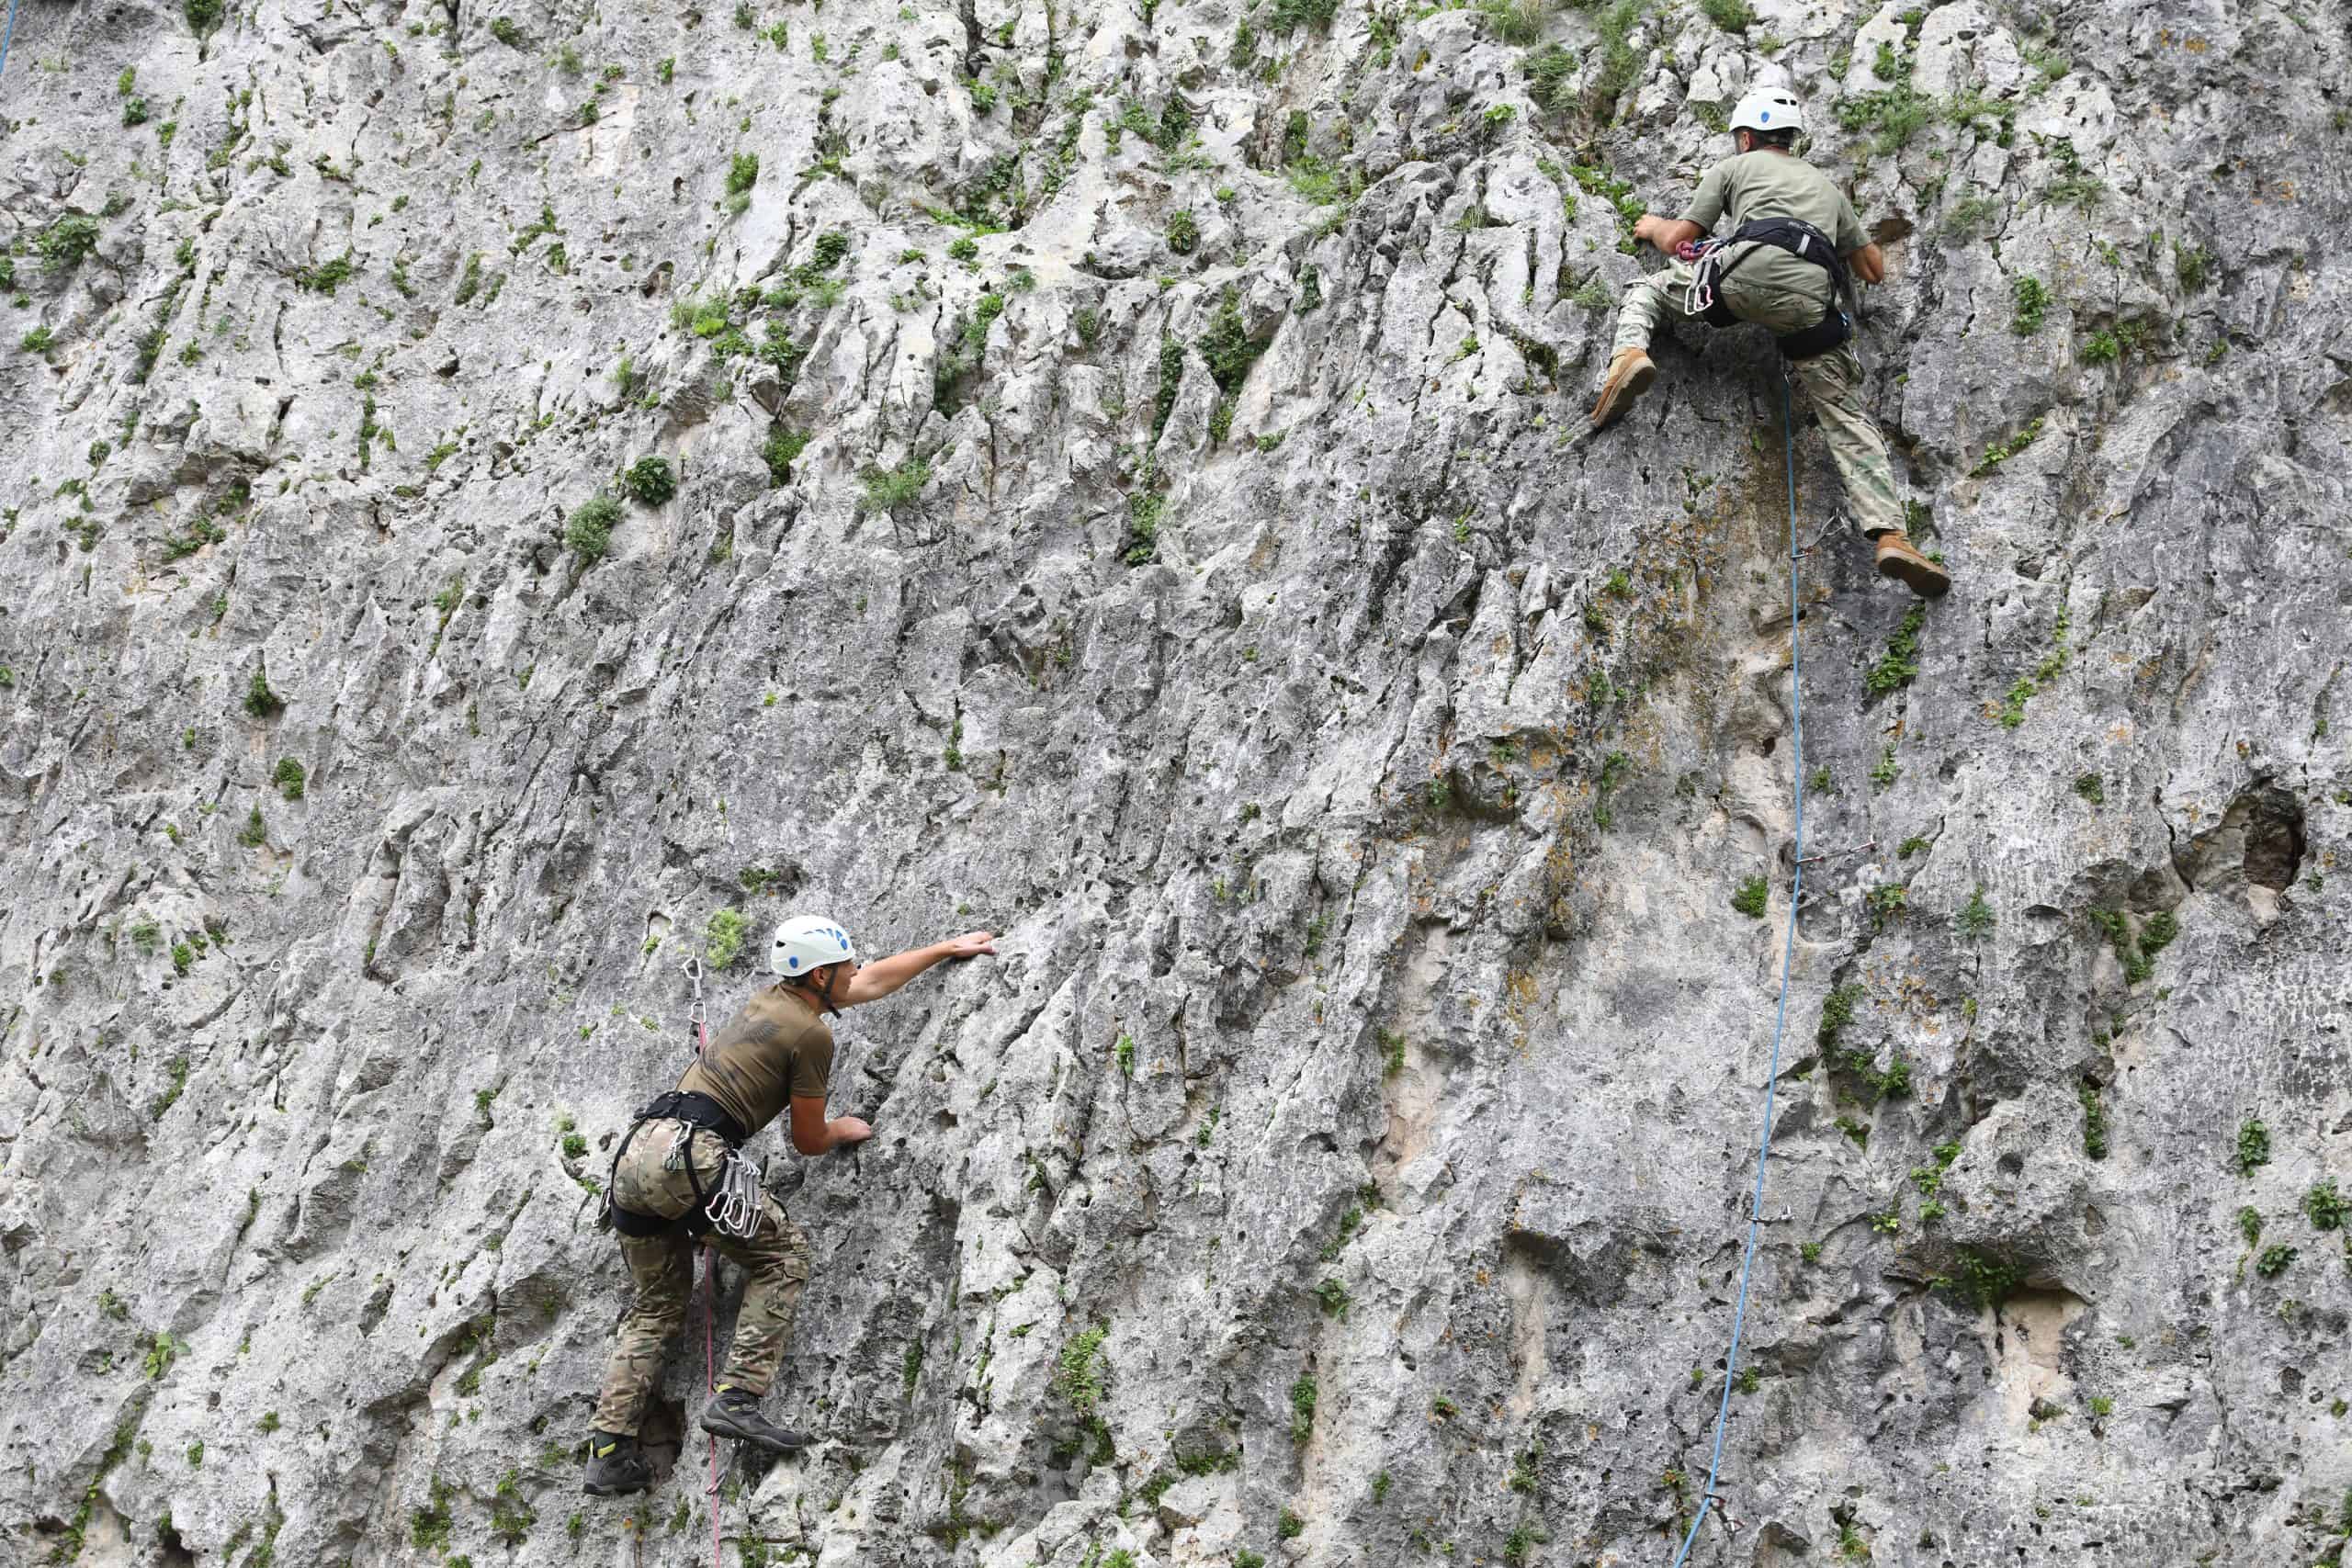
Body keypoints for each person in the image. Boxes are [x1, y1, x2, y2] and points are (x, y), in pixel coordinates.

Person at [582, 915, 998, 1495]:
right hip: (691, 1160)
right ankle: (739, 1397)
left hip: (637, 1154)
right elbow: (807, 1141)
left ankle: (608, 1450)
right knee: (784, 1258)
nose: (855, 971)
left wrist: (945, 947)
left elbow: (870, 981)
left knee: (656, 1306)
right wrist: (840, 1129)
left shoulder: (773, 1000)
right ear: (821, 974)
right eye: (845, 965)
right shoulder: (811, 1035)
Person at [1589, 86, 1950, 599]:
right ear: (1792, 140)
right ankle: (1892, 534)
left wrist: (1652, 227)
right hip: (1809, 300)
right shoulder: (1827, 188)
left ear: (1747, 137)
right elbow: (1873, 270)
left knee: (1647, 291)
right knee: (1845, 414)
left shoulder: (1734, 169)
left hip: (1742, 276)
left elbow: (1681, 238)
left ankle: (1629, 356)